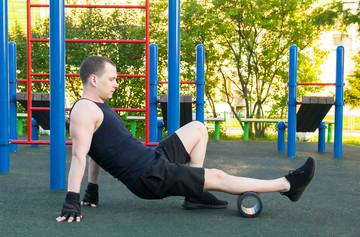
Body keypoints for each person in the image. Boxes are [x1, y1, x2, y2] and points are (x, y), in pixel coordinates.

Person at [56, 56, 316, 223]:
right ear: (93, 79)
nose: (115, 84)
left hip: (152, 158)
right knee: (219, 178)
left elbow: (96, 151)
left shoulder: (98, 106)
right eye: (111, 79)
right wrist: (72, 198)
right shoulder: (84, 109)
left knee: (198, 128)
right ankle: (287, 185)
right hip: (147, 177)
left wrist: (93, 190)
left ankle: (195, 195)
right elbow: (80, 154)